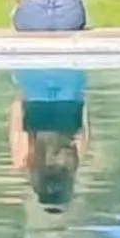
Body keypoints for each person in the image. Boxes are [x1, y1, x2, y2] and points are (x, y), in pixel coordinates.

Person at [9, 71, 90, 210]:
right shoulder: (24, 159)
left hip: (69, 87)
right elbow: (17, 109)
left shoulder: (75, 160)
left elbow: (84, 116)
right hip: (35, 88)